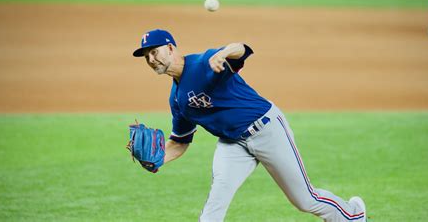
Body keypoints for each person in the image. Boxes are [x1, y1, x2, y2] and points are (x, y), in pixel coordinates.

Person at [132, 29, 367, 222]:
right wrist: (158, 157)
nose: (151, 59)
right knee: (212, 210)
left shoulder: (203, 63)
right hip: (233, 144)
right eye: (147, 57)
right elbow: (180, 142)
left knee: (305, 200)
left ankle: (354, 215)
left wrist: (223, 53)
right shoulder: (176, 99)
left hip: (266, 129)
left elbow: (242, 50)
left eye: (154, 52)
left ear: (171, 48)